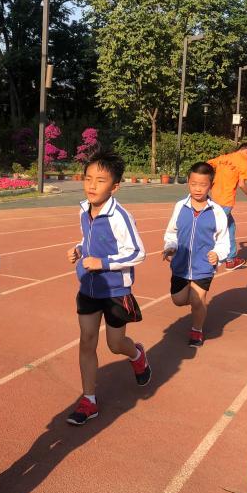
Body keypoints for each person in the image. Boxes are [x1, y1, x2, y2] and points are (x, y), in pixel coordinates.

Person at [66, 146, 149, 425]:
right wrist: (79, 250)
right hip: (88, 288)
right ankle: (89, 400)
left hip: (115, 290)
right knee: (87, 341)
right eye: (88, 178)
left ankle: (136, 354)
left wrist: (102, 262)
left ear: (114, 187)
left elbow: (137, 252)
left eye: (100, 181)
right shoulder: (83, 210)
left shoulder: (120, 217)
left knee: (115, 344)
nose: (92, 185)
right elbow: (88, 240)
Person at [162, 162, 230, 347]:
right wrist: (170, 246)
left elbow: (224, 240)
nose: (198, 189)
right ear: (188, 182)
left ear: (211, 186)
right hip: (181, 264)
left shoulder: (217, 212)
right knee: (178, 300)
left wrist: (217, 253)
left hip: (203, 265)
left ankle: (197, 330)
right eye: (194, 184)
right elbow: (172, 233)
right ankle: (191, 300)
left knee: (197, 300)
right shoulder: (180, 206)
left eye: (203, 185)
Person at [207, 142, 247, 270]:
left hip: (214, 198)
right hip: (226, 200)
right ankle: (209, 255)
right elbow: (241, 184)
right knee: (216, 229)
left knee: (230, 227)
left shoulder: (224, 157)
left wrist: (211, 181)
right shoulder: (243, 161)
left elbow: (207, 165)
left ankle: (231, 258)